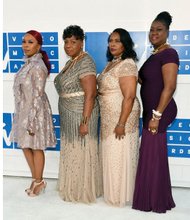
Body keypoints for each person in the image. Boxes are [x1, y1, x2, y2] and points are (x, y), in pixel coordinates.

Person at [132, 11, 179, 213]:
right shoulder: (155, 54)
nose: (154, 33)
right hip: (150, 112)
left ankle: (155, 200)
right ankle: (152, 197)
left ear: (168, 32)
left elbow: (169, 87)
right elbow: (147, 80)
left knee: (153, 155)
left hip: (160, 112)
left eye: (159, 30)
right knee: (152, 155)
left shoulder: (169, 54)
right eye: (151, 30)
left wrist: (156, 115)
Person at [54, 25, 102, 203]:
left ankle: (83, 189)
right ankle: (72, 185)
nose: (68, 45)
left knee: (82, 149)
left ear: (82, 43)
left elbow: (90, 94)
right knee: (72, 149)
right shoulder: (70, 62)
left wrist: (85, 121)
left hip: (81, 113)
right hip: (68, 114)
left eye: (73, 42)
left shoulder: (85, 61)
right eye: (66, 42)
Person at [10, 30, 57, 197]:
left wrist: (30, 120)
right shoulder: (27, 64)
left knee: (36, 146)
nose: (25, 45)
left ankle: (39, 181)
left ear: (38, 46)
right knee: (25, 145)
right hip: (24, 110)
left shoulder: (38, 66)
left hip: (35, 112)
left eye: (30, 42)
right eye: (24, 42)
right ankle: (37, 179)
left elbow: (37, 95)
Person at [97, 28, 140, 207]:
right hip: (108, 116)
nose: (112, 44)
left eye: (117, 41)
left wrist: (121, 123)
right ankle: (112, 191)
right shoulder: (111, 63)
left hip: (122, 116)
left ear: (125, 44)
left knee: (119, 152)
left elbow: (129, 97)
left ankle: (122, 194)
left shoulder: (127, 64)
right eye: (110, 40)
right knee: (111, 152)